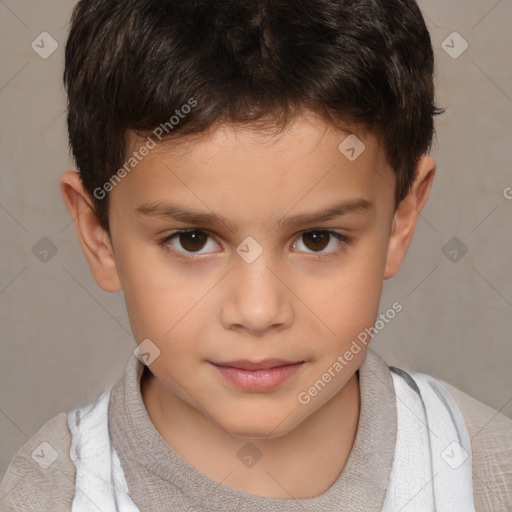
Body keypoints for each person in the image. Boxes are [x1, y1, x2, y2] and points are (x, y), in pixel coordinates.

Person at [1, 0, 510, 510]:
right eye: (192, 240)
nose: (259, 311)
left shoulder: (487, 470)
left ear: (401, 220)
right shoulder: (48, 492)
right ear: (99, 236)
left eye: (317, 239)